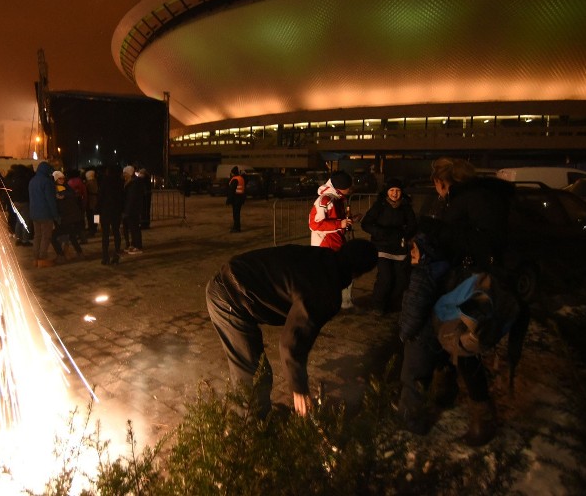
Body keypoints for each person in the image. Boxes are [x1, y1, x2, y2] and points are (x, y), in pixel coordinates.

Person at [397, 157, 516, 446]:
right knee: (456, 342)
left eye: (437, 185)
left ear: (443, 182)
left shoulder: (465, 201)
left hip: (468, 283)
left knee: (461, 345)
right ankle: (447, 393)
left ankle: (482, 420)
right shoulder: (488, 197)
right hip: (479, 280)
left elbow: (464, 241)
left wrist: (430, 230)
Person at [206, 239, 378, 418]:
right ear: (359, 274)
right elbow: (292, 343)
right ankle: (251, 432)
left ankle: (256, 421)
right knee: (254, 375)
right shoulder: (325, 290)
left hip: (236, 283)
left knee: (257, 371)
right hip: (229, 296)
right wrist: (299, 390)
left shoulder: (323, 258)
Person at [361, 178, 417, 313]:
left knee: (401, 280)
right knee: (386, 278)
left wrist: (404, 235)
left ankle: (391, 304)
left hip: (399, 247)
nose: (395, 193)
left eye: (397, 190)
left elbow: (413, 225)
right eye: (392, 190)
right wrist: (379, 232)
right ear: (387, 192)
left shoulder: (406, 206)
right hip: (381, 246)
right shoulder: (379, 205)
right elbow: (366, 224)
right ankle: (377, 305)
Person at [309, 170, 355, 309]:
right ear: (342, 186)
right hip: (326, 245)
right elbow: (314, 224)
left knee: (340, 274)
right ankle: (328, 303)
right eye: (350, 186)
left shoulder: (338, 198)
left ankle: (343, 303)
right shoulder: (325, 200)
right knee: (328, 277)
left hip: (336, 242)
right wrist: (339, 224)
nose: (352, 188)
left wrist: (349, 221)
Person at [28, 161, 60, 268]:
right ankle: (42, 258)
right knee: (46, 236)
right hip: (45, 213)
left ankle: (35, 258)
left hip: (34, 213)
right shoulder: (47, 182)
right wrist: (55, 215)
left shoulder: (32, 181)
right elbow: (50, 200)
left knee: (37, 235)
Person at [52, 170, 87, 261]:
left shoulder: (62, 189)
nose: (62, 180)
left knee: (53, 236)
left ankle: (61, 255)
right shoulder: (63, 188)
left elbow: (68, 197)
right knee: (71, 235)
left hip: (67, 217)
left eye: (63, 178)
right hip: (69, 217)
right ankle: (79, 253)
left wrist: (62, 196)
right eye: (59, 178)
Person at [97, 164, 125, 265]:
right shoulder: (120, 182)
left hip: (105, 212)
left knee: (105, 235)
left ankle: (105, 257)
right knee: (116, 233)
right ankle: (116, 256)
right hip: (116, 212)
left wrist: (96, 217)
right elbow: (122, 198)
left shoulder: (105, 181)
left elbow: (100, 198)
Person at [226, 166, 246, 232]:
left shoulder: (235, 179)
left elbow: (232, 190)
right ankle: (237, 227)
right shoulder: (241, 178)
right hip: (240, 198)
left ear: (233, 173)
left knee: (235, 214)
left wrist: (228, 200)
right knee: (237, 214)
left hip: (236, 199)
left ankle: (236, 228)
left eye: (231, 173)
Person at [84, 169, 99, 237]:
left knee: (90, 216)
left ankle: (92, 229)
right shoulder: (96, 181)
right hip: (97, 200)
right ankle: (95, 227)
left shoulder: (88, 183)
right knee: (96, 215)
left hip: (90, 201)